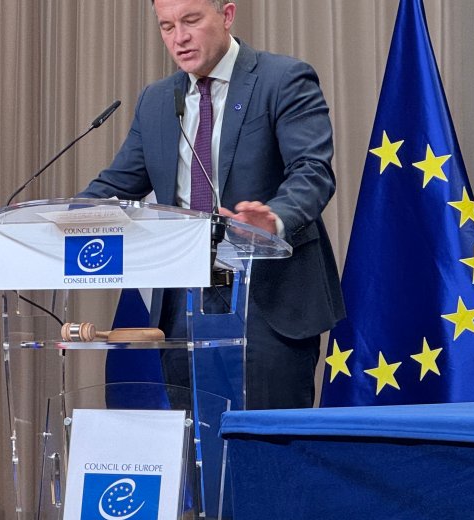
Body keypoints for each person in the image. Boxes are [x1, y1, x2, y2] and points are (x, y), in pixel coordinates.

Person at [78, 0, 344, 409]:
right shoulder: (157, 100)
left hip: (266, 299)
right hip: (183, 302)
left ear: (227, 15)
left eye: (190, 21)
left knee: (264, 441)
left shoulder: (283, 79)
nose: (179, 38)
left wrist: (274, 220)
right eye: (167, 26)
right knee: (199, 439)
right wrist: (56, 219)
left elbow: (312, 170)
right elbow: (117, 184)